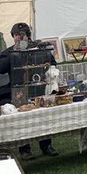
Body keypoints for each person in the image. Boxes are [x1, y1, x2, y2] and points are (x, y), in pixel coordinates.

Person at [0, 23, 58, 157]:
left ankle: (46, 146)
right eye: (16, 35)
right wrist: (13, 54)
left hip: (39, 88)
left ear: (28, 36)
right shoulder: (8, 52)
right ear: (13, 36)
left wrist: (45, 52)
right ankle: (25, 150)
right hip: (19, 91)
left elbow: (53, 64)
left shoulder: (38, 48)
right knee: (22, 119)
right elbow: (1, 68)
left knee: (42, 117)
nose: (18, 38)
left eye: (21, 35)